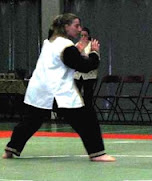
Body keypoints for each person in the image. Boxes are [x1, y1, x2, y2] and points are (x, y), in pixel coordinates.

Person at [2, 13, 116, 162]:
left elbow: (69, 59)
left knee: (31, 121)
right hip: (57, 91)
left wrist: (78, 50)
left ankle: (11, 149)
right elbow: (84, 66)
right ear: (66, 27)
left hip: (39, 90)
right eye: (76, 26)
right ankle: (97, 153)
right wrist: (94, 53)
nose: (79, 29)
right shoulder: (66, 46)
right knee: (87, 119)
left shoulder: (50, 42)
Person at [74, 27, 98, 108]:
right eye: (81, 35)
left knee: (88, 96)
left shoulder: (92, 45)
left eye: (85, 35)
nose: (83, 37)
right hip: (78, 75)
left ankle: (87, 112)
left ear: (88, 36)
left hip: (89, 75)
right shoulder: (77, 45)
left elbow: (94, 60)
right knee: (76, 95)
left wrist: (84, 57)